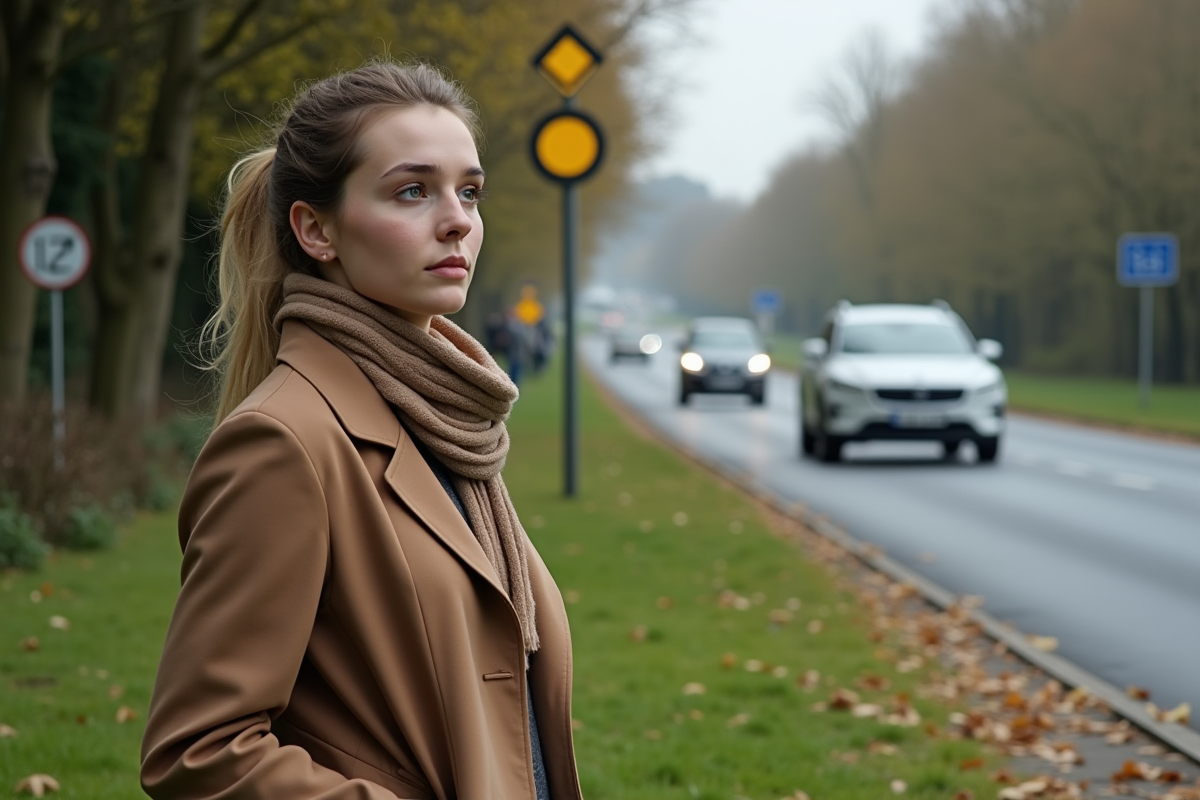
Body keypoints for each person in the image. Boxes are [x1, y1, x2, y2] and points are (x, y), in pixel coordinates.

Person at [140, 60, 580, 800]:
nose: (458, 220)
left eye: (469, 192)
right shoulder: (285, 443)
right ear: (317, 230)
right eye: (413, 191)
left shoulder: (447, 420)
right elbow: (198, 752)